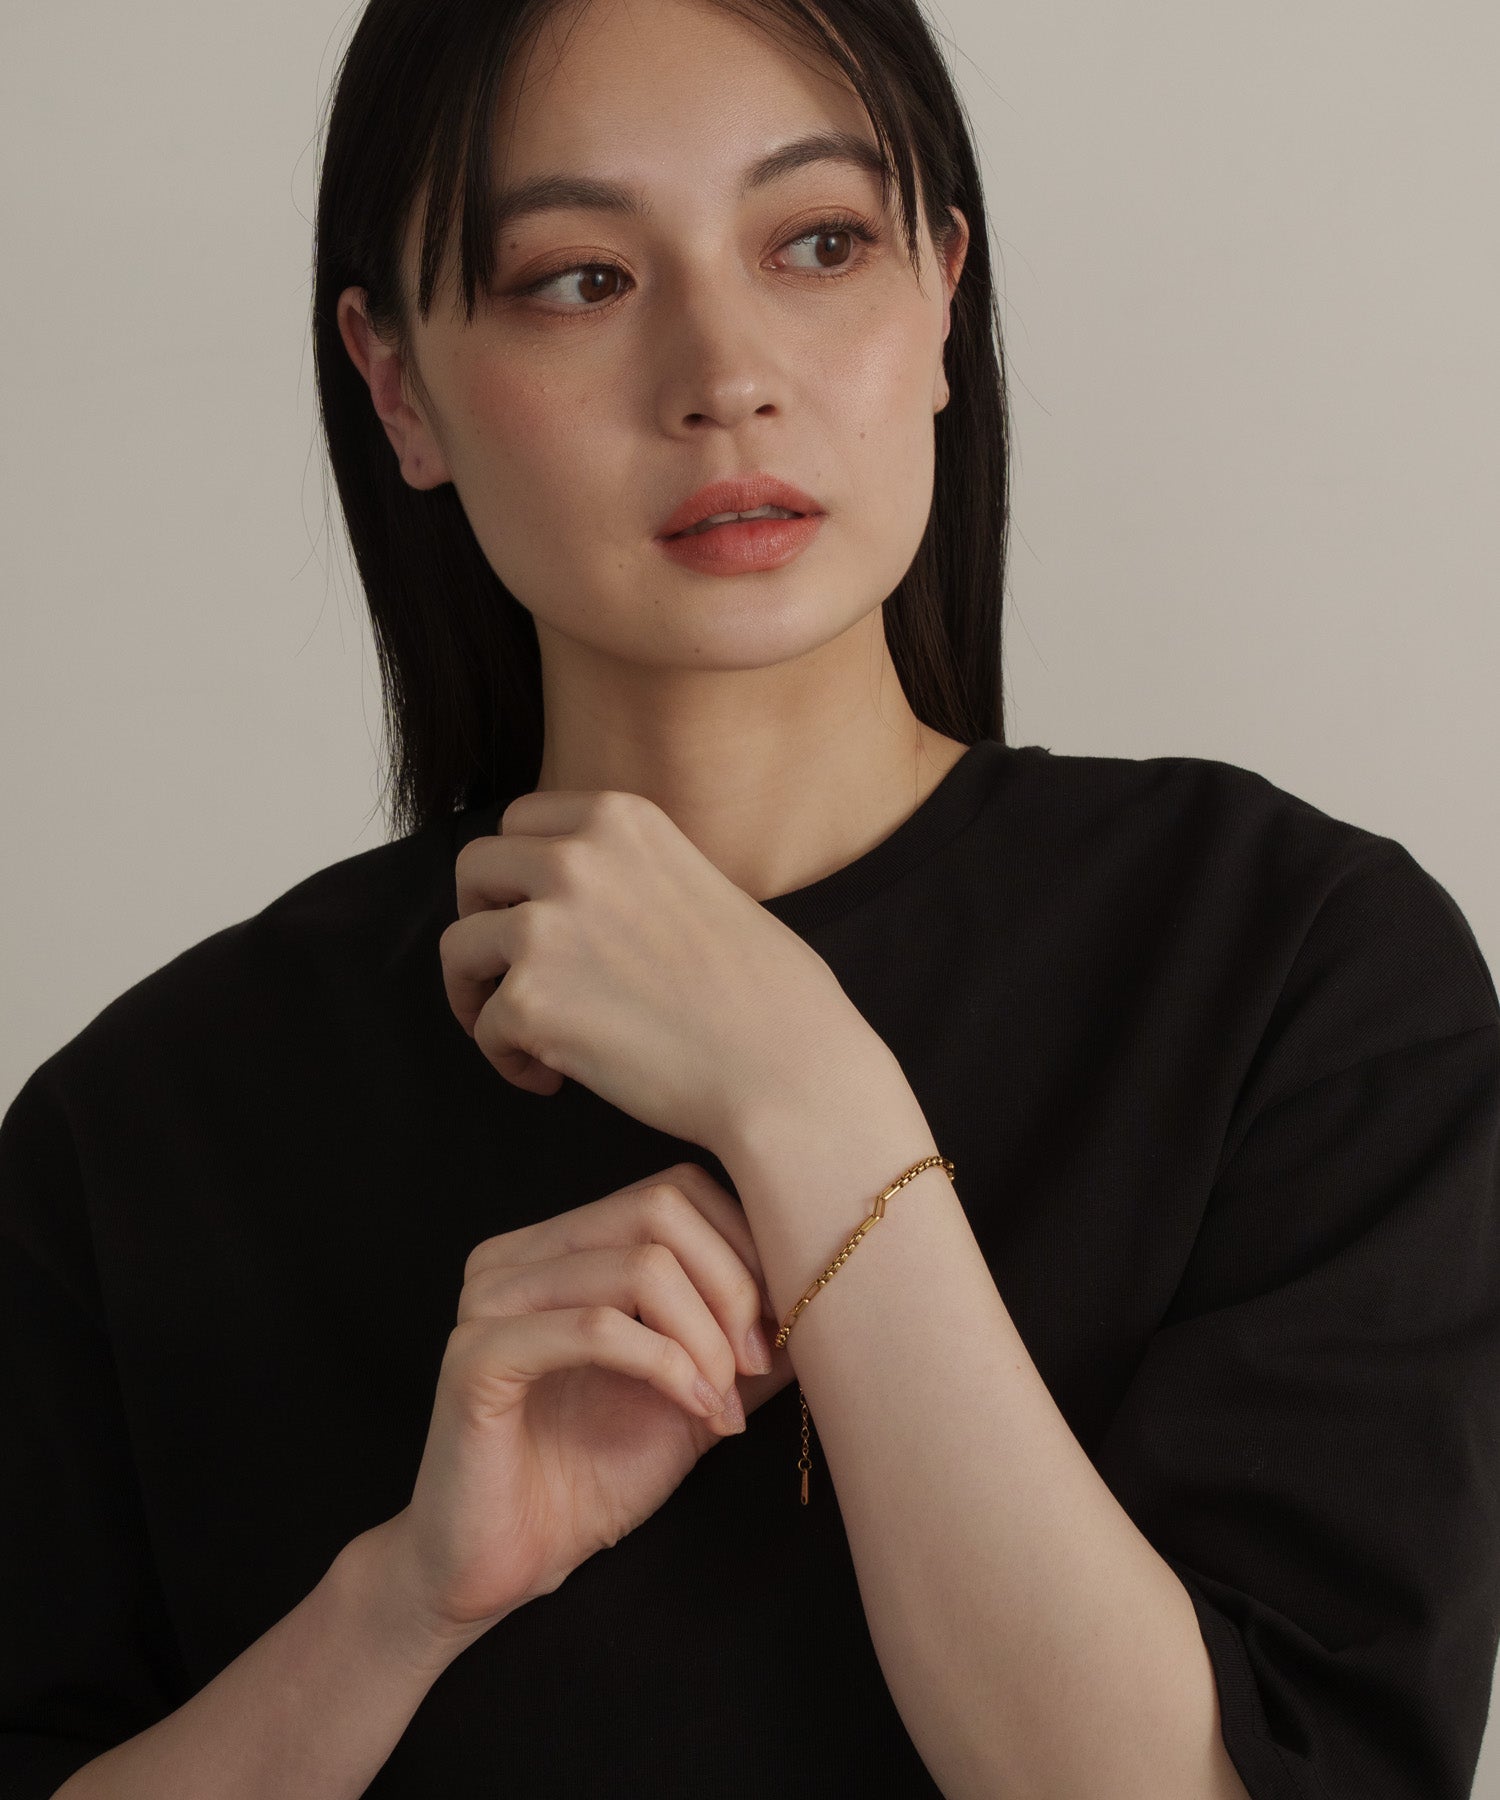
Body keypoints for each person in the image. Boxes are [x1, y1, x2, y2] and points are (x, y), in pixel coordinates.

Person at [3, 0, 1498, 1795]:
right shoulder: (146, 1129)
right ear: (397, 387)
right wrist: (404, 1602)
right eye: (578, 278)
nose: (724, 373)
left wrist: (812, 1105)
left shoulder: (1294, 977)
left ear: (943, 299)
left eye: (819, 243)